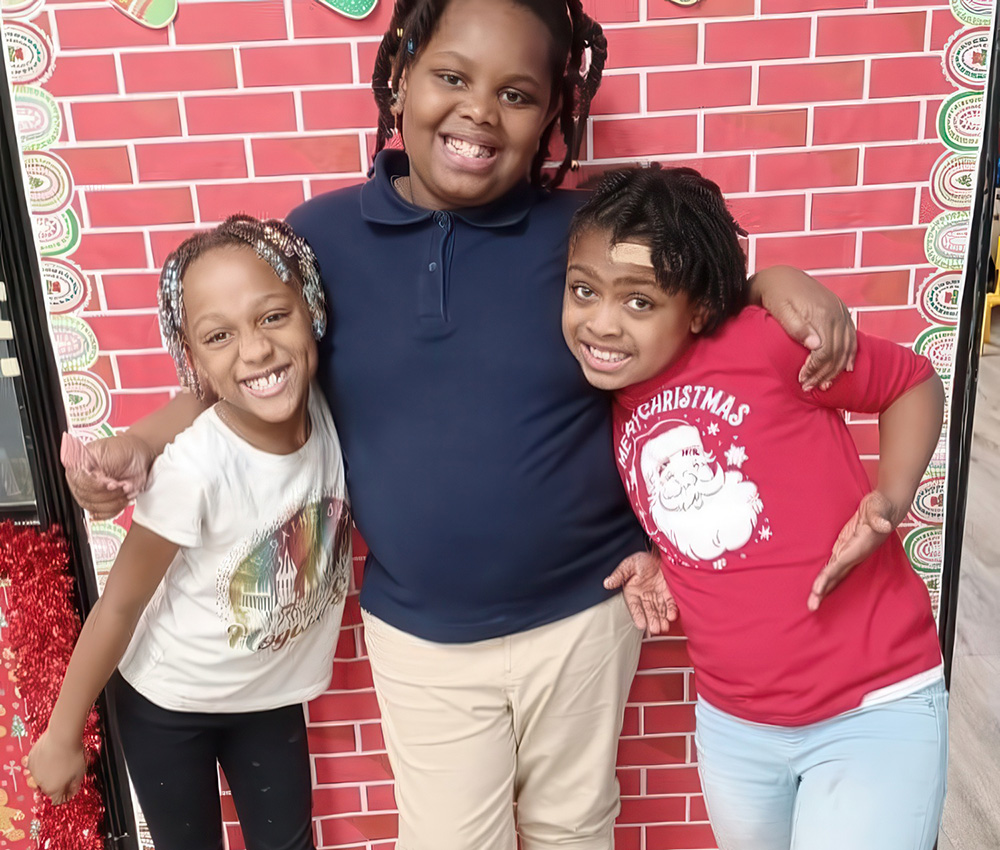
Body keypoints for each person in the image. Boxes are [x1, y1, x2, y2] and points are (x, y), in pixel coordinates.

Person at [66, 2, 858, 848]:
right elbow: (248, 375)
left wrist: (771, 280)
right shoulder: (320, 238)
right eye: (452, 77)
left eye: (517, 94)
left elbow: (687, 312)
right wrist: (143, 444)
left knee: (575, 824)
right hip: (422, 633)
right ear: (401, 76)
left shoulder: (583, 234)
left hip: (586, 612)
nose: (479, 109)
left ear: (553, 118)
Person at [565, 165, 947, 850]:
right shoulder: (610, 401)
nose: (602, 322)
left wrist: (888, 499)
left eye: (639, 302)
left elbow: (912, 382)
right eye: (584, 291)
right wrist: (660, 560)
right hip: (735, 725)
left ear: (700, 309)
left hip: (872, 707)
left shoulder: (763, 344)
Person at [27, 216, 353, 850]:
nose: (255, 350)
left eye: (272, 317)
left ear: (310, 310)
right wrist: (64, 731)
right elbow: (119, 606)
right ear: (193, 358)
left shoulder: (323, 405)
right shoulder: (196, 468)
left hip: (267, 699)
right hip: (169, 705)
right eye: (219, 335)